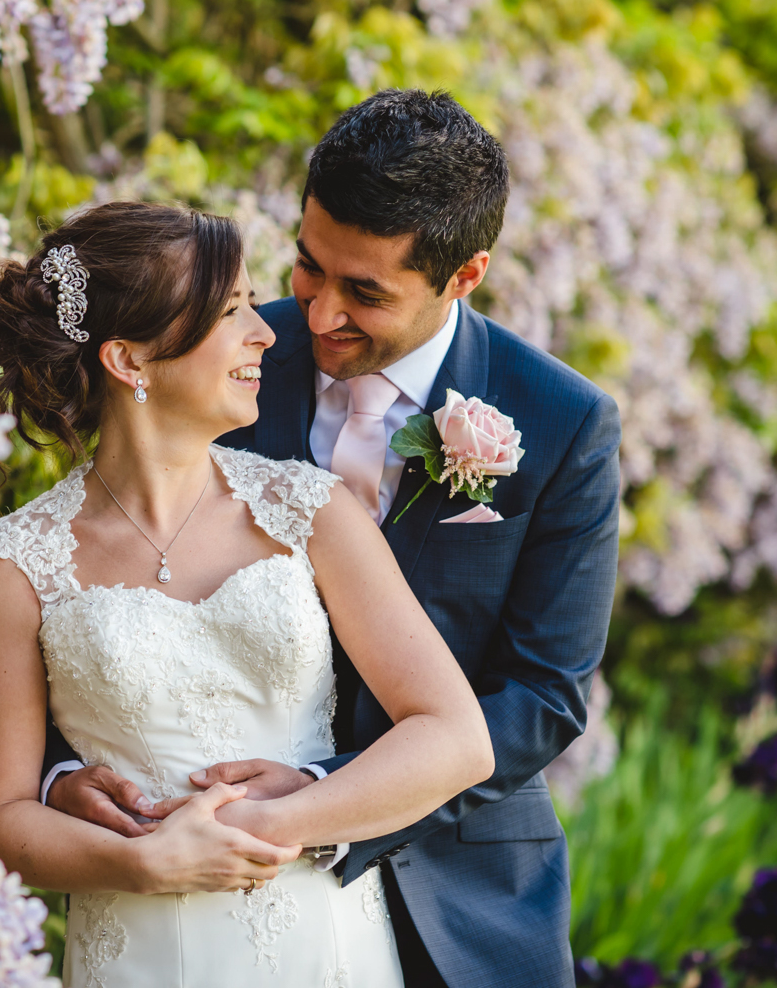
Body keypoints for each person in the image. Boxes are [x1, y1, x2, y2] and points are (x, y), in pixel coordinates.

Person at [44, 90, 622, 988]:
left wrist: (325, 793)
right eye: (310, 268)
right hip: (194, 899)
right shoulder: (213, 359)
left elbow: (543, 694)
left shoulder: (562, 421)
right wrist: (64, 775)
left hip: (463, 894)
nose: (315, 318)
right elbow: (90, 575)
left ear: (463, 277)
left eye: (366, 293)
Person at [0, 200, 496, 987]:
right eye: (230, 310)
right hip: (138, 951)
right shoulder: (10, 565)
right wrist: (140, 863)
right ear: (129, 360)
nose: (267, 334)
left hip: (323, 942)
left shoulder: (310, 511)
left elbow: (456, 737)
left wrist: (280, 821)